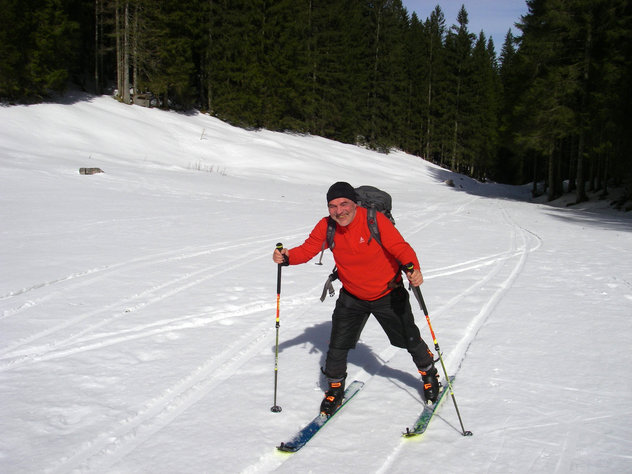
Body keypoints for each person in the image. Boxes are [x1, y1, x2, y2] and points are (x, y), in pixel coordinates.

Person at [272, 181, 439, 416]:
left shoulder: (373, 220)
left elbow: (401, 248)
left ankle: (429, 372)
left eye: (344, 204)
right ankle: (335, 387)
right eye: (332, 206)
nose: (339, 211)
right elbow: (308, 249)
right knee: (337, 345)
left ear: (354, 203)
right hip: (352, 295)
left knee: (409, 339)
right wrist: (287, 257)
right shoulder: (327, 226)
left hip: (388, 293)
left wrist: (413, 269)